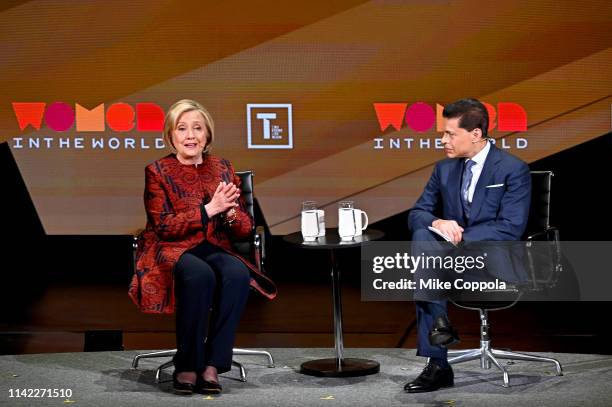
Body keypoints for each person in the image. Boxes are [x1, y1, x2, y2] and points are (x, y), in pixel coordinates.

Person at [128, 99, 276, 395]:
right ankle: (187, 364)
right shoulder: (157, 171)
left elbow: (244, 229)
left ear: (207, 135)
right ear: (171, 136)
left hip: (214, 246)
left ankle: (213, 365)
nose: (190, 135)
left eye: (197, 128)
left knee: (235, 272)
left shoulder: (223, 167)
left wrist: (230, 210)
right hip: (171, 249)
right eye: (182, 129)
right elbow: (164, 227)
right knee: (200, 276)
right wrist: (209, 209)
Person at [404, 98, 531, 393]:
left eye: (450, 134)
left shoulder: (512, 169)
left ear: (476, 133)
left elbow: (511, 227)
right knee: (424, 236)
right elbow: (417, 214)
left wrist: (459, 236)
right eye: (443, 133)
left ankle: (437, 361)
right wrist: (438, 223)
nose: (443, 140)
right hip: (451, 266)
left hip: (493, 263)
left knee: (428, 271)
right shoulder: (444, 170)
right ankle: (439, 345)